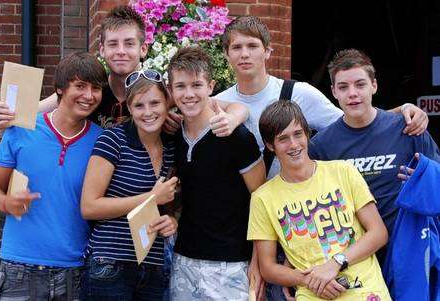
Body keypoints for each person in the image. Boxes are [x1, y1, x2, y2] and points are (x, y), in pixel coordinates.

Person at [215, 16, 428, 180]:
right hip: (234, 215)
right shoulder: (217, 103)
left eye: (252, 46)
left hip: (292, 208)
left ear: (268, 51)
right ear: (226, 54)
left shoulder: (299, 93)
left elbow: (353, 125)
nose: (244, 54)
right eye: (236, 47)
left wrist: (402, 110)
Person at [0, 5, 247, 134]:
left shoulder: (161, 89)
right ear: (101, 49)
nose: (121, 51)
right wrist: (10, 113)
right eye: (113, 44)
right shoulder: (93, 90)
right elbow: (49, 104)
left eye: (129, 43)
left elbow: (234, 106)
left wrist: (231, 119)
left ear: (143, 49)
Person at [0, 52, 107, 300]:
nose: (88, 96)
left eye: (95, 88)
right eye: (80, 86)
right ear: (60, 90)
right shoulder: (21, 131)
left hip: (73, 272)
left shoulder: (102, 141)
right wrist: (5, 203)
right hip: (18, 268)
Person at [248, 100, 391, 300]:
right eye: (283, 139)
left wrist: (336, 263)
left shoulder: (343, 171)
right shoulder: (263, 198)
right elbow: (268, 267)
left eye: (298, 134)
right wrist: (309, 280)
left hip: (366, 290)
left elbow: (378, 233)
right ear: (270, 145)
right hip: (314, 294)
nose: (294, 145)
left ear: (307, 134)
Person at [309, 49, 440, 263]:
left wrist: (424, 180)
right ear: (333, 91)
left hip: (409, 253)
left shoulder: (408, 129)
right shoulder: (321, 146)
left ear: (374, 86)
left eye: (360, 84)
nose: (352, 93)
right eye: (343, 87)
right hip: (354, 258)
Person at [166, 46, 266, 300]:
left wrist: (258, 261)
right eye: (180, 86)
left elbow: (264, 199)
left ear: (211, 87)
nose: (189, 94)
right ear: (171, 91)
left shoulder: (237, 137)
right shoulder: (173, 137)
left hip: (231, 265)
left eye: (196, 85)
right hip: (183, 260)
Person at [80, 70, 178, 300]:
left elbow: (167, 207)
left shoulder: (172, 146)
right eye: (139, 105)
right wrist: (151, 197)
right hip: (110, 264)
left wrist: (171, 221)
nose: (148, 112)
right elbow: (89, 207)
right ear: (130, 109)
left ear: (167, 103)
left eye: (155, 103)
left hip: (152, 265)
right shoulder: (113, 140)